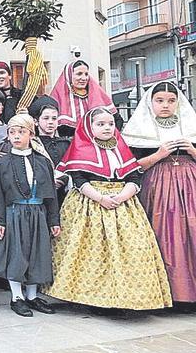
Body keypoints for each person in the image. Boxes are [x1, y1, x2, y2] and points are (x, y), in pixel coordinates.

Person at [46, 106, 172, 311]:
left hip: (123, 203)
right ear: (89, 126)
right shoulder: (80, 149)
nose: (107, 128)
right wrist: (100, 198)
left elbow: (134, 175)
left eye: (110, 124)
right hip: (90, 203)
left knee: (132, 250)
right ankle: (90, 299)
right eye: (100, 124)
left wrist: (122, 196)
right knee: (90, 252)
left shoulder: (121, 149)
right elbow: (78, 178)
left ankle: (126, 298)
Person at [122, 82, 196, 304]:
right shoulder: (138, 131)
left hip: (191, 186)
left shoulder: (191, 126)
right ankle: (167, 294)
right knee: (162, 234)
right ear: (151, 102)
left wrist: (192, 150)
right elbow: (131, 167)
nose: (165, 105)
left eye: (171, 101)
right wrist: (159, 154)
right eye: (160, 100)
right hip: (157, 188)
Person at [0, 114, 59, 317]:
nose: (16, 136)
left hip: (38, 212)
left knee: (37, 253)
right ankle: (16, 297)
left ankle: (32, 295)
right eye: (12, 132)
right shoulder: (3, 163)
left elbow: (51, 194)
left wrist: (53, 219)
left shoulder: (42, 162)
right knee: (17, 254)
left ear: (31, 133)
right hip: (15, 213)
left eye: (21, 132)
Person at [49, 60, 121, 137]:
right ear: (69, 75)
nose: (84, 78)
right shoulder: (58, 98)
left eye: (86, 74)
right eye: (79, 74)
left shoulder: (98, 95)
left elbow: (118, 121)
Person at [28, 96, 71, 203]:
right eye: (46, 118)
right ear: (36, 121)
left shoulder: (66, 144)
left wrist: (64, 179)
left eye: (54, 118)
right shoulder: (31, 144)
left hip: (65, 195)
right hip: (41, 196)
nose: (50, 122)